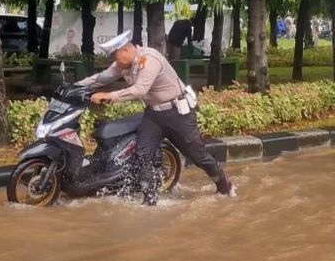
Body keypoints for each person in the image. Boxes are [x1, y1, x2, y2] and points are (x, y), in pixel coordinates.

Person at [77, 30, 236, 206]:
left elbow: (139, 90)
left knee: (198, 156)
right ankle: (149, 200)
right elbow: (100, 78)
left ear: (126, 50)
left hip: (177, 113)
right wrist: (73, 87)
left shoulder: (149, 58)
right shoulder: (122, 65)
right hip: (154, 115)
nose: (115, 62)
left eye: (115, 56)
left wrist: (108, 96)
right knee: (142, 155)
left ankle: (225, 186)